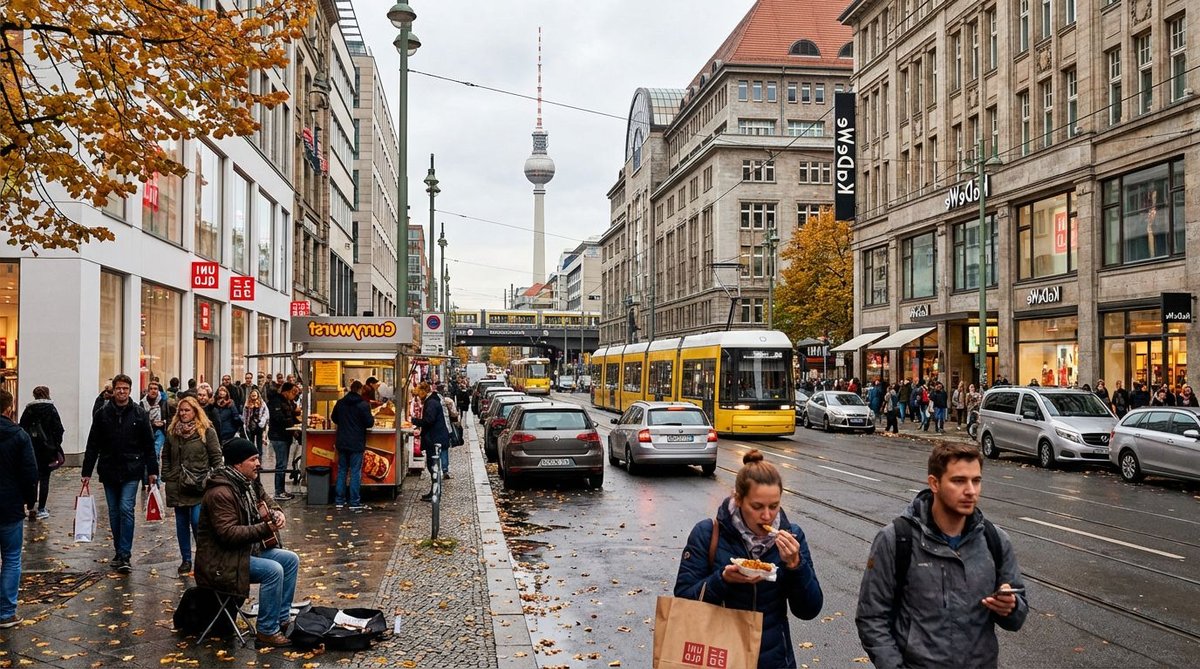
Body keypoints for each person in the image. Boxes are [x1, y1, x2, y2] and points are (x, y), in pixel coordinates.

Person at [855, 442, 1028, 669]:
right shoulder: (897, 539)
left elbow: (1017, 617)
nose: (971, 491)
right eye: (959, 481)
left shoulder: (995, 540)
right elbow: (871, 617)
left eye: (976, 481)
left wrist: (1011, 607)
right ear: (934, 483)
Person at [674, 450, 823, 669]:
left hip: (773, 659)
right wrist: (722, 580)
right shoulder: (708, 533)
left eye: (774, 506)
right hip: (718, 655)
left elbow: (809, 610)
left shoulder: (792, 536)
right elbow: (684, 600)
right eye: (757, 506)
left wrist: (795, 566)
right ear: (739, 499)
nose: (767, 516)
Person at [194, 438, 297, 647]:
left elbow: (268, 501)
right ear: (237, 464)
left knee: (290, 560)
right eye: (253, 459)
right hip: (221, 561)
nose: (258, 463)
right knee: (273, 570)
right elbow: (228, 534)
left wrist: (277, 512)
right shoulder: (220, 493)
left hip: (245, 551)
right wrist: (266, 528)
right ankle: (267, 630)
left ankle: (282, 619)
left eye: (258, 458)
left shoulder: (248, 482)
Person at [81, 374, 158, 574]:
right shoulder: (102, 414)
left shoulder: (140, 414)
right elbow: (93, 444)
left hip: (132, 469)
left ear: (130, 390)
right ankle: (118, 550)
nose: (121, 392)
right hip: (109, 469)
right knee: (114, 512)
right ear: (113, 390)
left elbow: (149, 445)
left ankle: (125, 553)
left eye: (125, 388)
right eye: (118, 389)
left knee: (126, 508)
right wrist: (86, 471)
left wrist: (152, 471)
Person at [161, 396, 222, 576]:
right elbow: (166, 455)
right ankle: (186, 559)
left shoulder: (206, 432)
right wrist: (167, 475)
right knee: (181, 523)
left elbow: (216, 458)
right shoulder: (173, 432)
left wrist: (213, 478)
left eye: (187, 410)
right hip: (177, 484)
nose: (183, 413)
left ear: (195, 411)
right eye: (181, 410)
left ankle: (202, 557)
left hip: (198, 484)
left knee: (197, 521)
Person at [0, 389, 37, 628]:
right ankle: (6, 612)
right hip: (10, 505)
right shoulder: (20, 436)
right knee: (12, 558)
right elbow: (30, 473)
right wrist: (29, 501)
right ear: (9, 408)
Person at [18, 385, 65, 520]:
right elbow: (59, 429)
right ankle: (41, 508)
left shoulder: (29, 409)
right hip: (47, 450)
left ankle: (31, 507)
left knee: (32, 479)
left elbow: (22, 428)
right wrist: (55, 445)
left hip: (31, 449)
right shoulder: (51, 409)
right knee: (45, 479)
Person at [330, 380, 374, 511]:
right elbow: (369, 423)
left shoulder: (340, 403)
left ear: (350, 389)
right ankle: (354, 502)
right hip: (356, 442)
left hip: (342, 442)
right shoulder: (363, 405)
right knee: (355, 472)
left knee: (342, 470)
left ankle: (339, 500)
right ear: (360, 390)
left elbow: (334, 418)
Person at [411, 381, 450, 502]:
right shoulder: (433, 400)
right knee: (433, 466)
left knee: (432, 466)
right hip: (434, 437)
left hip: (434, 439)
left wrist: (415, 421)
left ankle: (435, 492)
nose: (418, 397)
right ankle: (434, 491)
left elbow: (429, 420)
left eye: (418, 394)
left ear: (423, 392)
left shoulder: (431, 403)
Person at [266, 382, 301, 501]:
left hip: (285, 435)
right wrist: (292, 425)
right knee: (281, 463)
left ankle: (281, 490)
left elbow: (290, 416)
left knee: (283, 463)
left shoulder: (287, 402)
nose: (294, 395)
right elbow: (280, 418)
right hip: (278, 436)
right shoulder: (276, 401)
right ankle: (278, 491)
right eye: (293, 392)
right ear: (286, 391)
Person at [140, 381, 173, 485]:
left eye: (156, 389)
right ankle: (147, 478)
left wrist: (165, 423)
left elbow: (168, 416)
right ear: (148, 390)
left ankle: (156, 481)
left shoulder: (163, 402)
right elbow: (141, 420)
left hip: (160, 432)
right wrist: (153, 423)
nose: (154, 391)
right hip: (147, 432)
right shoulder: (143, 403)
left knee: (155, 453)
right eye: (152, 389)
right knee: (148, 455)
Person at [439, 383, 462, 477]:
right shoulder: (449, 401)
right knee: (444, 449)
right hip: (446, 428)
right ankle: (445, 470)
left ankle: (437, 468)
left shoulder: (434, 402)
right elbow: (454, 414)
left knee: (438, 450)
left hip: (438, 429)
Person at [242, 389, 270, 460]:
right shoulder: (247, 404)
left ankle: (259, 456)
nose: (253, 397)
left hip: (259, 425)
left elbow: (266, 413)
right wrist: (245, 423)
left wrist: (263, 421)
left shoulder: (262, 403)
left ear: (257, 396)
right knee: (250, 441)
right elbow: (244, 414)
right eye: (252, 395)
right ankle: (252, 455)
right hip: (250, 425)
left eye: (255, 395)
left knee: (259, 441)